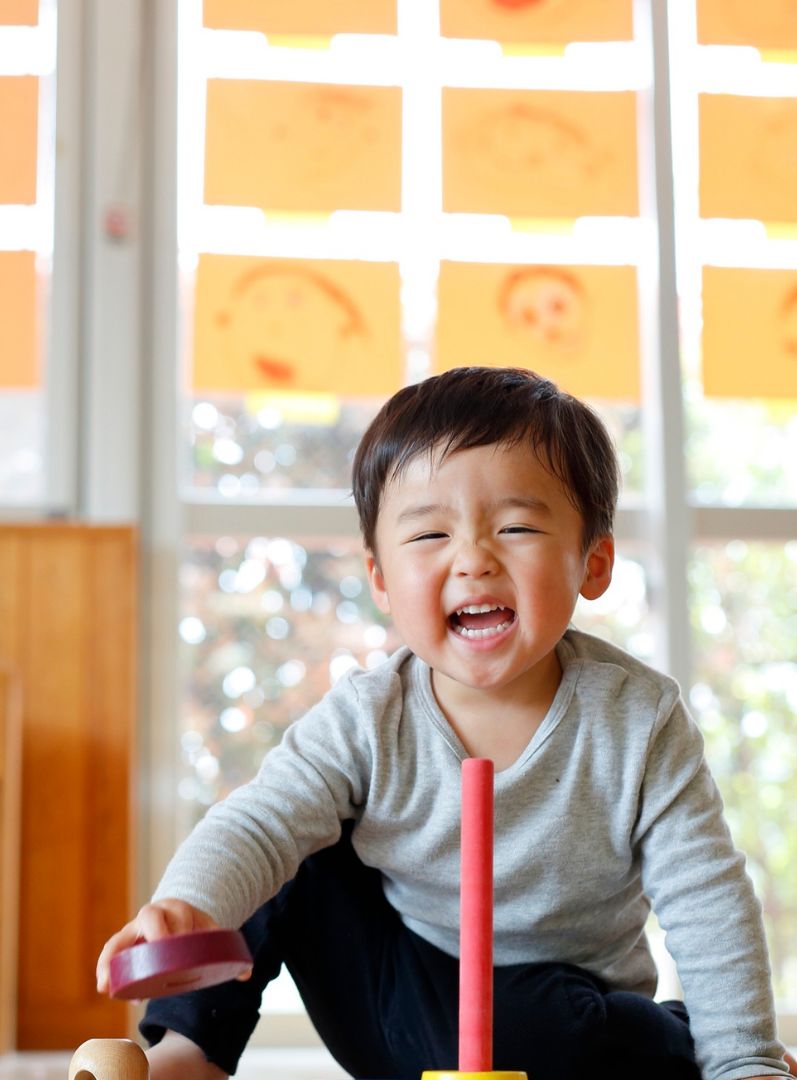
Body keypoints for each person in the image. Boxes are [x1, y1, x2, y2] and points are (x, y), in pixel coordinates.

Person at [97, 367, 796, 1080]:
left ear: (594, 560)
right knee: (290, 840)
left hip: (557, 1018)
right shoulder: (369, 716)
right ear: (379, 578)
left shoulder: (637, 719)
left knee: (568, 1027)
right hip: (402, 1001)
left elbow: (707, 897)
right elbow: (256, 822)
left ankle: (693, 1048)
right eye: (430, 534)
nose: (473, 559)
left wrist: (744, 1061)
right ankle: (190, 1052)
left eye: (517, 526)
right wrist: (184, 904)